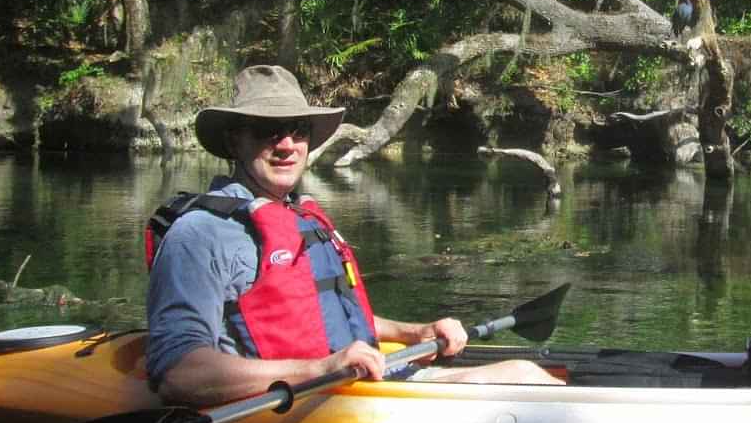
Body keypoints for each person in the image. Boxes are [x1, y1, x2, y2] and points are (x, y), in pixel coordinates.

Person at [146, 64, 558, 405]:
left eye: (297, 129)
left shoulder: (299, 216)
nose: (287, 144)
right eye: (268, 131)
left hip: (347, 386)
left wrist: (414, 332)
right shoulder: (198, 235)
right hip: (296, 402)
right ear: (234, 140)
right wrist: (320, 368)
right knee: (527, 379)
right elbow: (179, 374)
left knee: (527, 374)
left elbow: (323, 313)